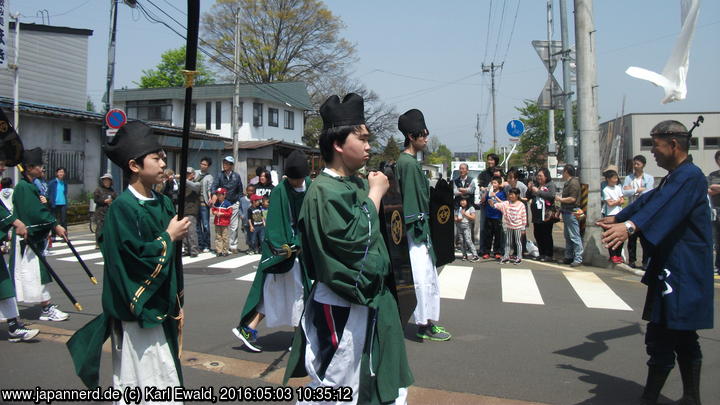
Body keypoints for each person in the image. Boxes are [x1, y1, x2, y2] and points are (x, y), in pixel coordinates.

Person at [283, 93, 412, 404]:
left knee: (371, 381)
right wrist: (377, 194)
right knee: (337, 384)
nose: (369, 146)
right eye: (362, 138)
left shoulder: (353, 184)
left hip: (366, 301)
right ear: (338, 145)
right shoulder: (323, 190)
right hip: (342, 303)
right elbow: (355, 241)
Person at [67, 121, 190, 391]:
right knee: (143, 378)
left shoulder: (165, 202)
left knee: (166, 373)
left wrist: (177, 298)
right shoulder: (122, 208)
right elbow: (131, 261)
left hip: (164, 303)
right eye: (156, 158)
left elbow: (172, 262)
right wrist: (168, 237)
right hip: (140, 308)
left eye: (164, 158)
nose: (162, 164)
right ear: (134, 166)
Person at [597, 120, 714, 405]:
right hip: (674, 266)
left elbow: (666, 207)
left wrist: (631, 227)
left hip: (682, 270)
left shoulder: (691, 177)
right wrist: (620, 217)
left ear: (673, 144)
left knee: (665, 335)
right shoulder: (677, 176)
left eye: (655, 145)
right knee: (682, 336)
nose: (652, 152)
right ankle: (690, 397)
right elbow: (653, 198)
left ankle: (653, 398)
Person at [233, 150, 312, 352]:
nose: (296, 183)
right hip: (286, 253)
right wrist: (289, 245)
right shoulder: (280, 191)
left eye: (299, 179)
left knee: (278, 294)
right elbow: (275, 225)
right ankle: (299, 338)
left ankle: (249, 328)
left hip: (301, 250)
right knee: (296, 293)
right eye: (292, 179)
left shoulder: (311, 187)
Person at [396, 108, 451, 342]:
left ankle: (426, 322)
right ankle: (424, 324)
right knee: (421, 278)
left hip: (419, 229)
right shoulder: (407, 163)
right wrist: (418, 226)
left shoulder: (410, 162)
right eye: (423, 134)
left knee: (426, 277)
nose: (426, 139)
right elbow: (410, 201)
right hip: (414, 231)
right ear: (412, 136)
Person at [9, 148, 69, 322]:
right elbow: (35, 213)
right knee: (32, 274)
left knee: (35, 274)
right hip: (27, 239)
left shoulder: (30, 186)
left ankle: (44, 306)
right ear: (29, 168)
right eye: (40, 165)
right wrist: (55, 224)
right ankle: (45, 307)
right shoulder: (24, 188)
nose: (43, 168)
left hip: (33, 238)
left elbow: (40, 209)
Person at [622, 155, 655, 269]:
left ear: (643, 165)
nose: (635, 166)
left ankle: (645, 262)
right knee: (632, 237)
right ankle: (632, 260)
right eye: (634, 164)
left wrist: (631, 190)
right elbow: (624, 192)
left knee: (644, 238)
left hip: (644, 210)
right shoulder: (628, 178)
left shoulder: (649, 178)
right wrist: (637, 189)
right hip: (632, 210)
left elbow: (648, 192)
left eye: (638, 164)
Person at [211, 156, 244, 254]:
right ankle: (220, 247)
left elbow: (240, 190)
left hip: (233, 203)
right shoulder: (219, 175)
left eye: (227, 163)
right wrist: (214, 194)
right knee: (221, 227)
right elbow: (214, 186)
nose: (224, 165)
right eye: (224, 163)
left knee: (234, 226)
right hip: (222, 204)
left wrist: (238, 201)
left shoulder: (236, 176)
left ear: (231, 165)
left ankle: (233, 246)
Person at [527, 168, 558, 262]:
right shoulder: (536, 185)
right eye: (538, 176)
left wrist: (538, 192)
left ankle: (548, 254)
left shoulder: (550, 184)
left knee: (546, 234)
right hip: (537, 214)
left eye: (541, 176)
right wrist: (529, 189)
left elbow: (551, 196)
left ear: (546, 176)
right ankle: (542, 253)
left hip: (546, 214)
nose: (538, 177)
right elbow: (529, 196)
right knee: (538, 234)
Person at [490, 187, 527, 264]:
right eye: (510, 194)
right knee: (508, 242)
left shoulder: (521, 205)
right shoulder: (507, 203)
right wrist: (493, 204)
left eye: (512, 194)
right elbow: (499, 205)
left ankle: (519, 257)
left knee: (518, 242)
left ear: (517, 195)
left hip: (518, 227)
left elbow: (524, 217)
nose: (510, 196)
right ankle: (506, 256)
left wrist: (523, 228)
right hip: (509, 226)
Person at [556, 164, 583, 267]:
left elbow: (573, 199)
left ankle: (578, 258)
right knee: (568, 236)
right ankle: (569, 256)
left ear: (566, 171)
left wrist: (560, 199)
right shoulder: (568, 183)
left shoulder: (574, 183)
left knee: (574, 236)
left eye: (563, 171)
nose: (562, 173)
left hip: (572, 212)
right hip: (566, 211)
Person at [602, 170, 625, 264]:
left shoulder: (618, 188)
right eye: (614, 178)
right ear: (608, 179)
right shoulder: (605, 190)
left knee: (620, 235)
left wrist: (616, 201)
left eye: (616, 178)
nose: (616, 180)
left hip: (618, 213)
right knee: (610, 236)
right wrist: (617, 201)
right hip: (609, 214)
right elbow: (609, 203)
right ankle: (612, 255)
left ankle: (618, 255)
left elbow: (622, 200)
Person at [481, 176, 506, 260]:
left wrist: (495, 196)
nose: (493, 184)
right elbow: (483, 200)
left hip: (497, 217)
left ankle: (497, 252)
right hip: (488, 216)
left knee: (498, 235)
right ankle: (486, 252)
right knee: (488, 235)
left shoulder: (502, 193)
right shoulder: (489, 192)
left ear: (499, 184)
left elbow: (503, 203)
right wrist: (485, 193)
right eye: (492, 183)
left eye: (495, 183)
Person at [453, 163, 476, 249]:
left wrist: (462, 190)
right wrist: (465, 190)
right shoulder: (455, 180)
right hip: (457, 205)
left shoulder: (472, 180)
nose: (461, 170)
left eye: (463, 169)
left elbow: (472, 190)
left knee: (469, 225)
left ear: (467, 170)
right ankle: (459, 244)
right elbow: (454, 192)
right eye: (460, 168)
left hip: (469, 206)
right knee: (458, 224)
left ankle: (470, 245)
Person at [92, 173, 118, 247]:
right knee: (100, 227)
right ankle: (98, 243)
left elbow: (116, 199)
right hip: (100, 211)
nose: (106, 182)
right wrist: (104, 201)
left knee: (109, 227)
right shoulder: (98, 189)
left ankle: (107, 241)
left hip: (109, 211)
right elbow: (95, 199)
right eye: (104, 180)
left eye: (107, 180)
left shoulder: (112, 191)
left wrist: (112, 201)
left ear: (110, 181)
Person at [196, 157, 214, 253]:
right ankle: (200, 244)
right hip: (194, 203)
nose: (203, 166)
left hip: (204, 203)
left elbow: (210, 189)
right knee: (197, 225)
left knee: (206, 225)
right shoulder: (195, 173)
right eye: (202, 164)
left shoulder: (209, 177)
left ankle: (207, 244)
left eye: (205, 164)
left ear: (208, 166)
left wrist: (211, 198)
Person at [182, 167, 201, 258]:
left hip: (192, 210)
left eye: (189, 173)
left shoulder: (196, 183)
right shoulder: (183, 183)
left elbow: (195, 187)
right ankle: (186, 249)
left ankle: (194, 250)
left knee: (191, 231)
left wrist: (181, 178)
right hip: (183, 209)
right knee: (184, 232)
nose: (187, 175)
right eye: (185, 173)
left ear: (193, 174)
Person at [707, 150, 720, 276]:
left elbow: (713, 188)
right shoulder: (712, 175)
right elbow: (708, 190)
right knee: (716, 239)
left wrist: (716, 187)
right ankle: (717, 266)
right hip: (716, 210)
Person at [455, 196, 479, 262]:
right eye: (461, 201)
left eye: (464, 200)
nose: (462, 202)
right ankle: (464, 255)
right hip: (459, 226)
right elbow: (455, 218)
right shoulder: (458, 208)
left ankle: (475, 255)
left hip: (467, 226)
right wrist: (457, 219)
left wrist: (464, 214)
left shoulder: (471, 208)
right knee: (462, 241)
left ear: (467, 201)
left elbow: (473, 217)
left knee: (468, 240)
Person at [47, 167, 68, 236]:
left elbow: (65, 193)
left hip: (63, 203)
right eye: (60, 172)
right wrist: (49, 201)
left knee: (63, 220)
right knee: (54, 220)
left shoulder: (64, 183)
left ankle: (65, 235)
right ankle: (53, 235)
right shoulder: (52, 183)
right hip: (54, 204)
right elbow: (48, 193)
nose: (61, 173)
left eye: (62, 172)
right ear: (56, 173)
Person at [212, 188, 233, 257]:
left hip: (224, 223)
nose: (218, 196)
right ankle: (219, 250)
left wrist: (222, 214)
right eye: (217, 194)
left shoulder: (227, 203)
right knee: (218, 237)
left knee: (225, 237)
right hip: (217, 223)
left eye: (220, 195)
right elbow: (213, 210)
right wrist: (215, 212)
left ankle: (225, 250)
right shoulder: (216, 203)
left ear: (224, 195)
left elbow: (230, 213)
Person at [239, 184, 256, 253]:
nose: (250, 192)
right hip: (245, 221)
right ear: (246, 191)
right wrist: (241, 215)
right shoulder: (242, 199)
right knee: (247, 235)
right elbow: (240, 208)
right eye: (249, 191)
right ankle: (250, 247)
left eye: (252, 191)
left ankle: (255, 247)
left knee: (254, 235)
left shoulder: (256, 199)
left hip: (254, 222)